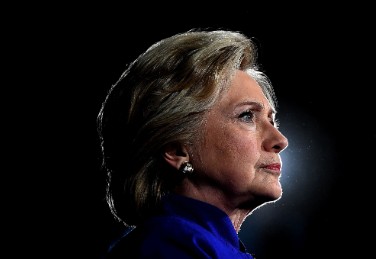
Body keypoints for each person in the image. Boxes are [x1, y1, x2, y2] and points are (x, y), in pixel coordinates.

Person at [96, 28, 289, 258]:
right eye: (247, 115)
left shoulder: (199, 244)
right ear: (177, 149)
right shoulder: (168, 248)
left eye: (272, 120)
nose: (280, 140)